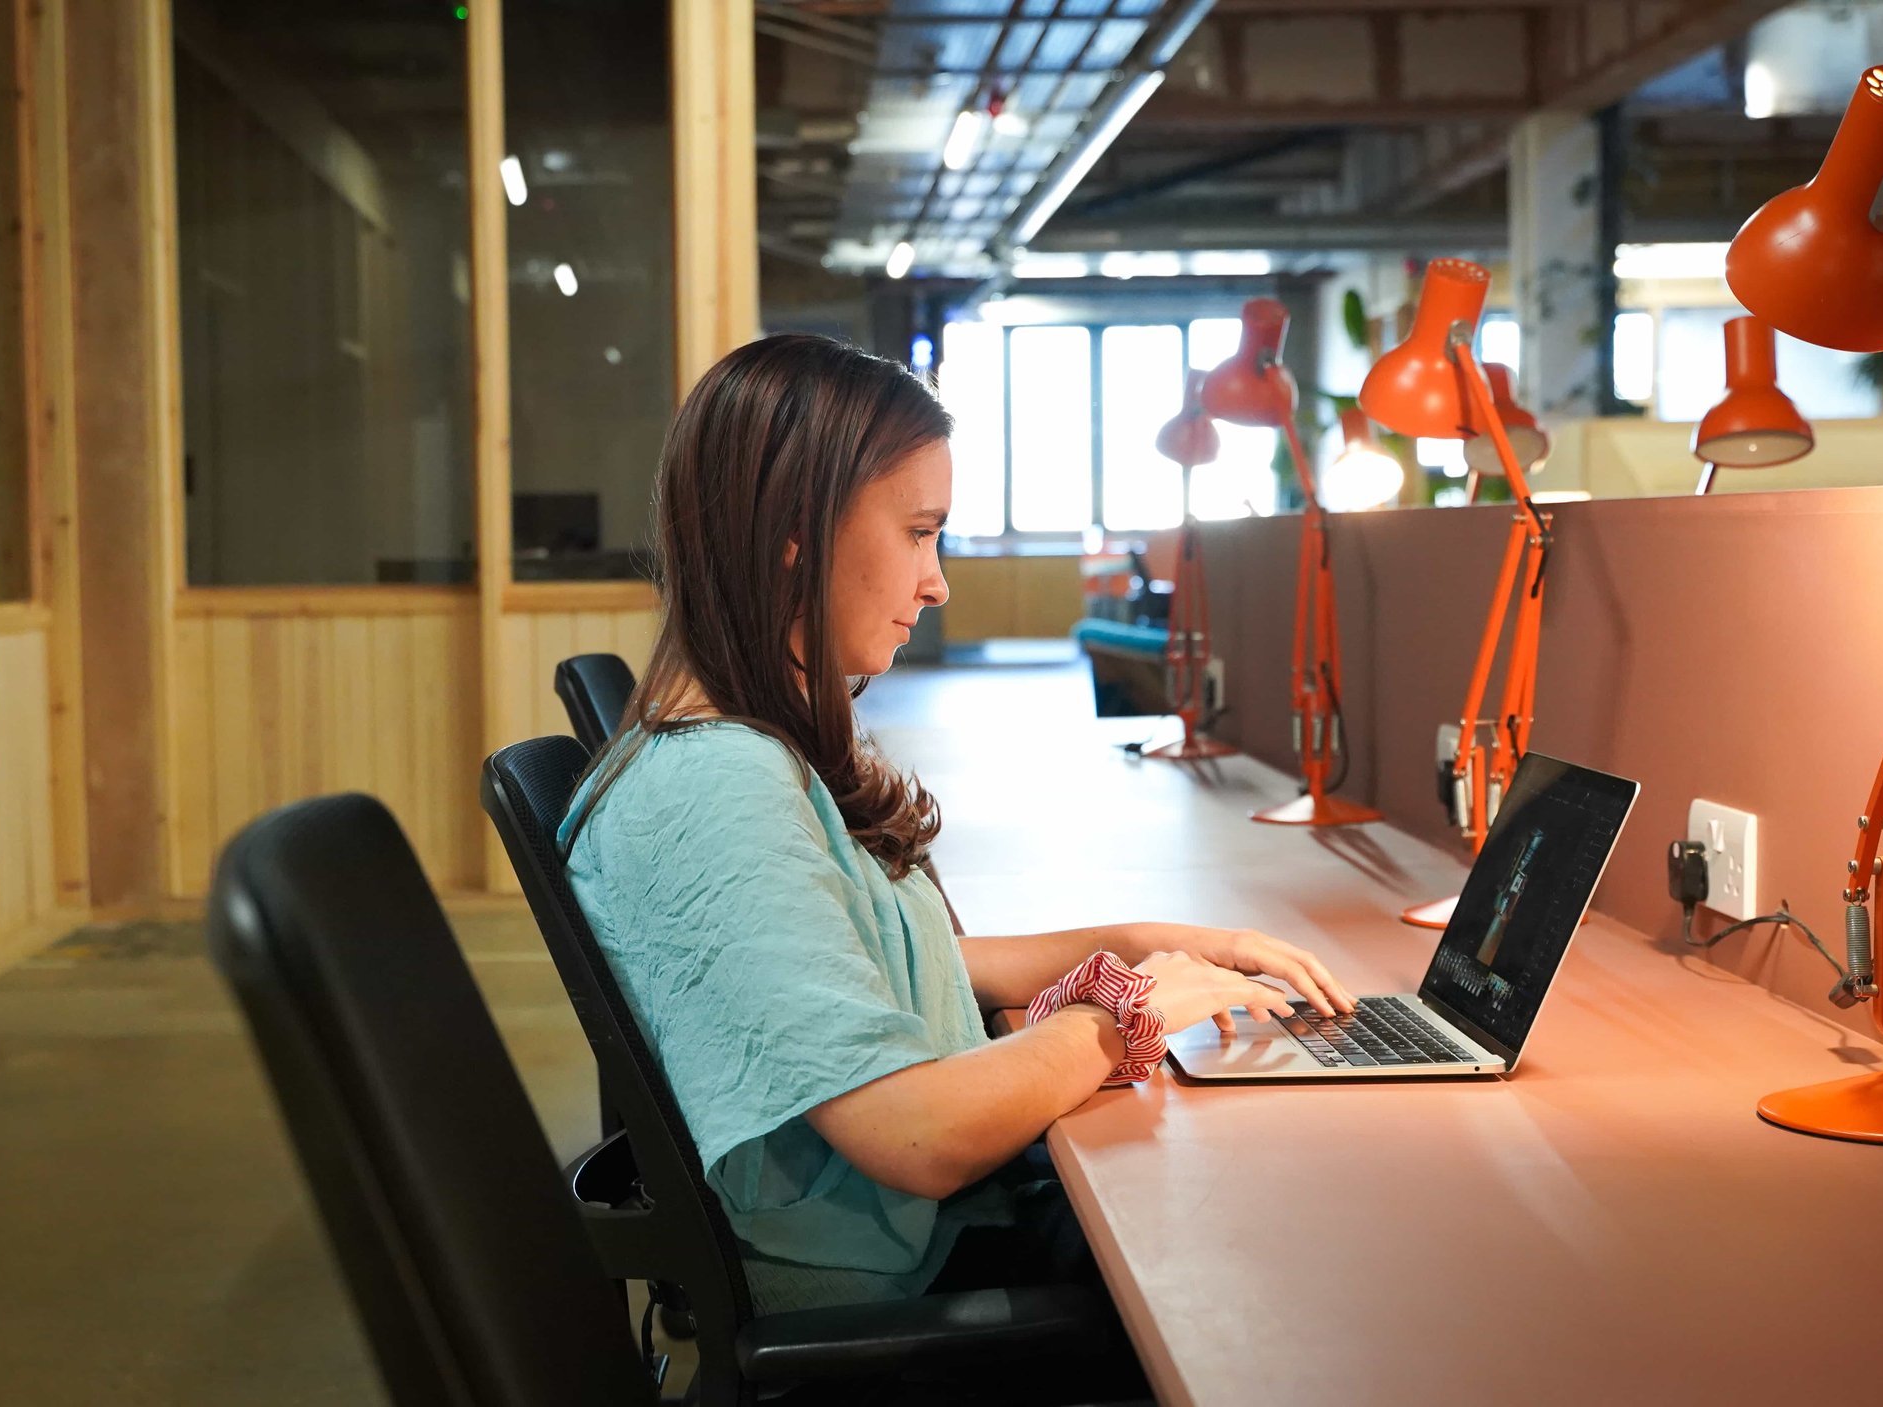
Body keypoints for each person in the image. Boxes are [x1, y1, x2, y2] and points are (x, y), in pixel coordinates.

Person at [560, 333, 1357, 1320]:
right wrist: (1126, 1014)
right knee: (1277, 1245)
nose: (936, 583)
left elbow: (884, 961)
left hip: (916, 1243)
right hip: (889, 1293)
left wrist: (1146, 944)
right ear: (793, 534)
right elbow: (917, 1133)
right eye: (918, 532)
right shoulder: (716, 788)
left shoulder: (735, 750)